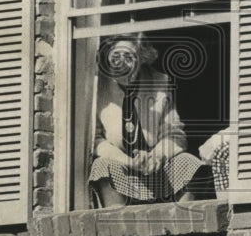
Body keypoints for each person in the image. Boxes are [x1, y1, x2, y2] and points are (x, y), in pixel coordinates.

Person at [89, 34, 207, 207]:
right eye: (115, 56)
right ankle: (118, 230)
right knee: (102, 166)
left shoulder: (160, 82)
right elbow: (96, 140)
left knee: (188, 162)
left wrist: (157, 156)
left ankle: (185, 227)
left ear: (142, 58)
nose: (121, 63)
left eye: (129, 57)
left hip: (156, 165)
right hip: (120, 162)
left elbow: (174, 133)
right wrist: (128, 161)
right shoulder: (96, 86)